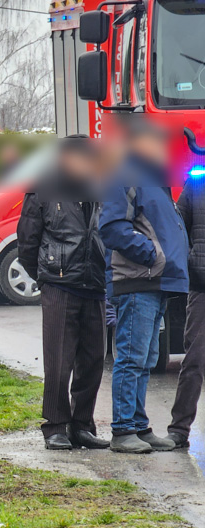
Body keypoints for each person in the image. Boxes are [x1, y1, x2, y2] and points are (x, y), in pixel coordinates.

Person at [100, 120, 189, 454]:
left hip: (157, 282)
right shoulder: (124, 174)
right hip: (139, 281)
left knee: (147, 358)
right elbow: (112, 228)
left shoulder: (154, 179)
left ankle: (139, 425)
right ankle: (123, 430)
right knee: (132, 357)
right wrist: (154, 256)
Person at [17, 137, 109, 450]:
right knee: (59, 361)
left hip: (94, 284)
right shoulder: (42, 189)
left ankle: (82, 425)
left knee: (94, 358)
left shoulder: (98, 187)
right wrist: (46, 277)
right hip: (59, 285)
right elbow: (27, 243)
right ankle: (55, 426)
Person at [167, 176, 205, 448]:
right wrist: (190, 265)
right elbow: (177, 229)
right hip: (202, 285)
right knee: (194, 360)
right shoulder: (197, 182)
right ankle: (179, 430)